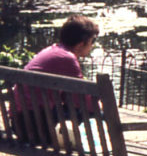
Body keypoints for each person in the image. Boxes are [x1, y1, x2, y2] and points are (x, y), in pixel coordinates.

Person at [12, 15, 100, 143]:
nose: (92, 45)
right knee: (98, 113)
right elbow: (81, 100)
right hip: (37, 128)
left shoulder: (52, 50)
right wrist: (99, 106)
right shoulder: (68, 59)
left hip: (20, 124)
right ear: (81, 44)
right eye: (92, 41)